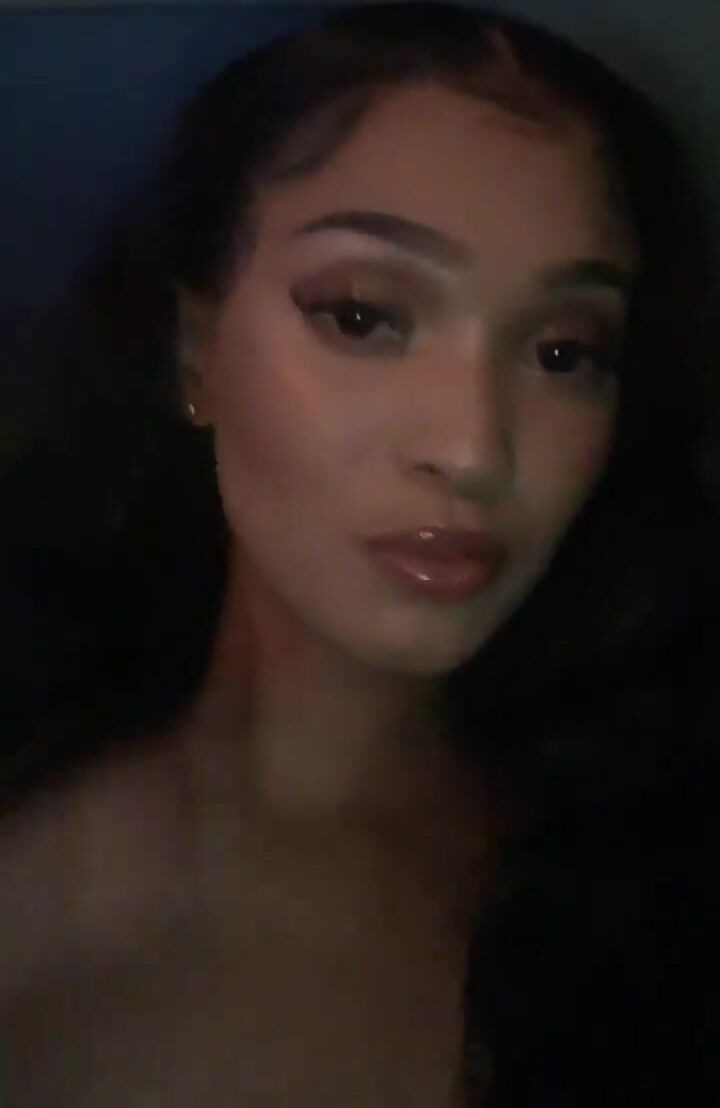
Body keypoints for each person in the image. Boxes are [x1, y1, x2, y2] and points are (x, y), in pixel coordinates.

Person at [0, 2, 716, 1104]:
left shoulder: (658, 886)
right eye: (366, 316)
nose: (473, 448)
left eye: (564, 351)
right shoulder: (38, 813)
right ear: (196, 350)